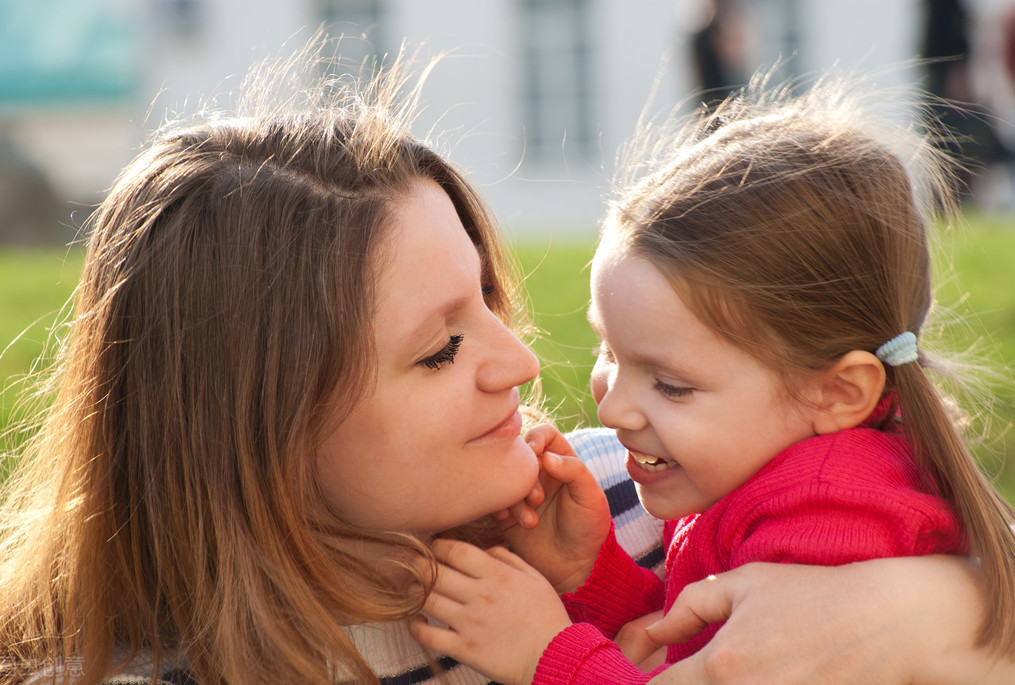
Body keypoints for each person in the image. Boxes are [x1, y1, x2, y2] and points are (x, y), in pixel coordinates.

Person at [0, 39, 1009, 685]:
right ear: (255, 425)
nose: (522, 360)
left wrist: (922, 612)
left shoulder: (636, 485)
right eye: (440, 348)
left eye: (486, 296)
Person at [410, 71, 1015, 684]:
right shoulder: (768, 467)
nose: (614, 408)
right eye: (609, 350)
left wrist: (546, 655)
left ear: (837, 393)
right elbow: (695, 646)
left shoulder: (830, 521)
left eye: (671, 385)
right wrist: (589, 575)